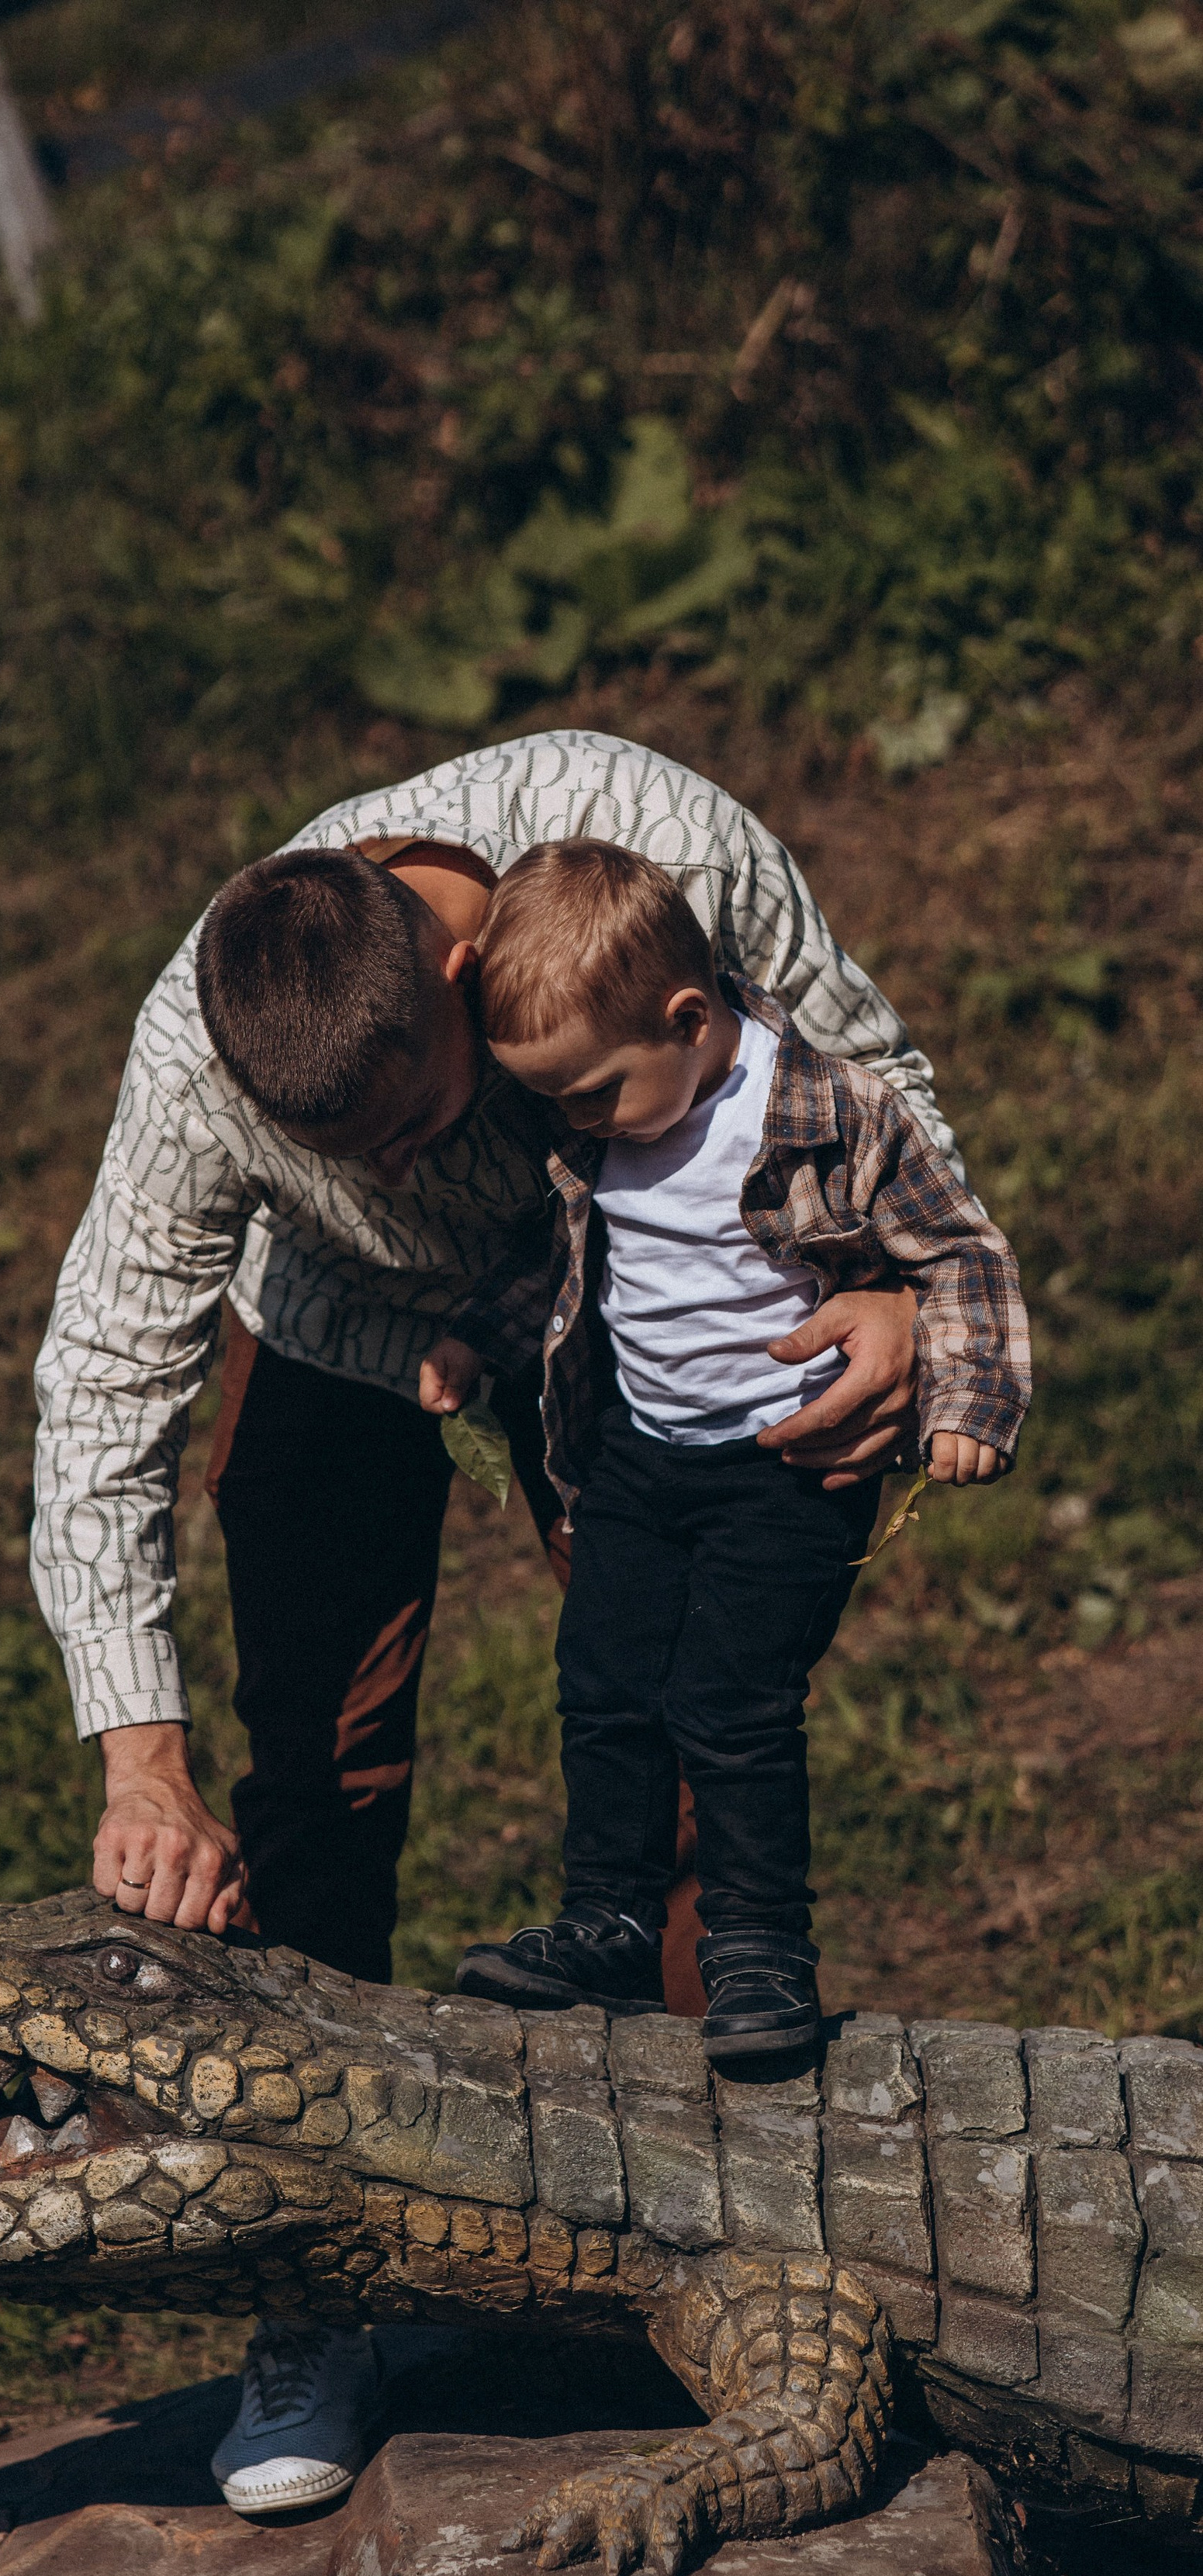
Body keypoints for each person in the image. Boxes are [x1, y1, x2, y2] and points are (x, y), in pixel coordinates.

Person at [30, 729, 959, 2516]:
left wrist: (905, 1303)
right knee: (314, 1765)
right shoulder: (191, 1065)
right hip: (336, 1330)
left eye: (426, 1123)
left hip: (630, 1301)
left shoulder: (643, 839)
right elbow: (98, 1385)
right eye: (348, 1149)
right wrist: (138, 1763)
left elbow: (871, 1082)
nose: (400, 1160)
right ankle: (312, 2294)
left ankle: (747, 2257)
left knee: (686, 1726)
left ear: (466, 980)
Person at [420, 838, 1028, 2064]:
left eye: (590, 1091)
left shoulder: (827, 1113)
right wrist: (477, 1343)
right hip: (642, 1459)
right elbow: (562, 1266)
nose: (573, 1118)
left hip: (784, 1470)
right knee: (603, 1679)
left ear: (688, 1019)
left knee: (730, 1703)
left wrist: (967, 1404)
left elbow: (960, 1255)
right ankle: (609, 1918)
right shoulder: (598, 1133)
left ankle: (757, 1949)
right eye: (555, 1100)